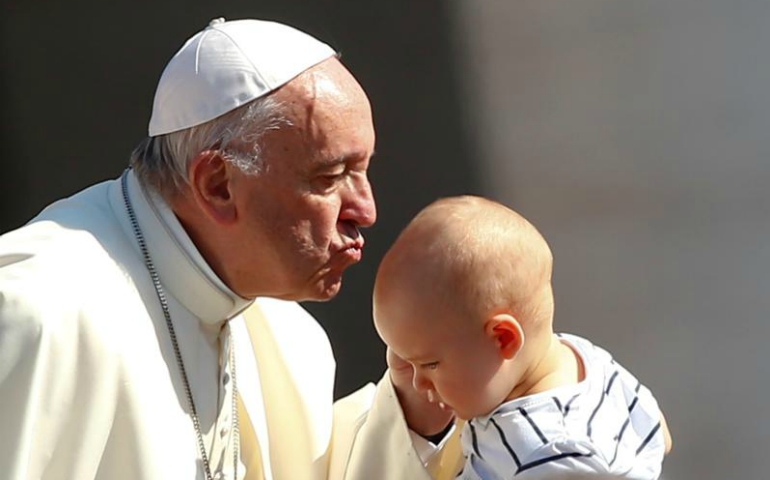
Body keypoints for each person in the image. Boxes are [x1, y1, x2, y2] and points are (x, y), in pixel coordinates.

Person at [0, 18, 455, 480]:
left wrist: (408, 405)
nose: (366, 210)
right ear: (218, 185)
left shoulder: (288, 336)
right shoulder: (38, 313)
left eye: (363, 170)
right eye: (330, 177)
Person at [373, 196, 673, 479]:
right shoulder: (585, 358)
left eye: (431, 364)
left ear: (503, 339)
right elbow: (658, 434)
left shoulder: (553, 456)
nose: (418, 383)